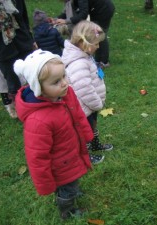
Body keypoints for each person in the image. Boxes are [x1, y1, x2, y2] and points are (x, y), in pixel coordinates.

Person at [14, 49, 94, 220]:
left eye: (64, 75)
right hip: (60, 165)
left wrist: (87, 135)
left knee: (70, 183)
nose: (65, 83)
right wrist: (45, 184)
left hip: (71, 151)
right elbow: (37, 156)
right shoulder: (38, 121)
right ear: (38, 87)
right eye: (56, 81)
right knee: (68, 185)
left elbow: (78, 115)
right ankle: (67, 211)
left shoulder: (65, 94)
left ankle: (67, 192)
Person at [61, 20, 113, 159]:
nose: (98, 46)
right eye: (95, 44)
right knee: (84, 130)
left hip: (90, 105)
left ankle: (95, 144)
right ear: (83, 43)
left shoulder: (84, 55)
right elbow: (84, 89)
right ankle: (84, 155)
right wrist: (97, 103)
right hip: (84, 106)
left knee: (92, 126)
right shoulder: (78, 63)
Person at [0, 0, 36, 118]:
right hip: (1, 48)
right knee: (12, 83)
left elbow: (22, 16)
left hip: (22, 40)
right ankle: (22, 111)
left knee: (34, 73)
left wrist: (30, 39)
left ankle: (42, 102)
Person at [87, 0, 115, 68]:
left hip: (104, 10)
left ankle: (104, 61)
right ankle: (98, 59)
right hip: (98, 10)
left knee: (101, 35)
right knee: (97, 35)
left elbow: (84, 11)